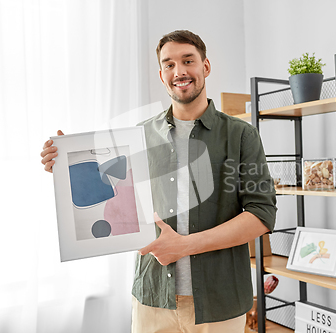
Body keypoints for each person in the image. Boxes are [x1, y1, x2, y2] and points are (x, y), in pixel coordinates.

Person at [40, 30, 276, 333]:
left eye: (188, 60)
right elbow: (114, 197)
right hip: (152, 299)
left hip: (220, 302)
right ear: (162, 74)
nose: (179, 71)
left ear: (205, 67)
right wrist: (66, 165)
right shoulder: (138, 137)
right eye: (169, 64)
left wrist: (184, 246)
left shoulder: (242, 135)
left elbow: (261, 215)